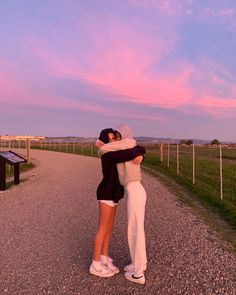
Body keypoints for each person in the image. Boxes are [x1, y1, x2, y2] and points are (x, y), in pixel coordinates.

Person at [90, 128, 145, 278]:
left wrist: (141, 153)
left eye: (114, 138)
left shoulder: (112, 151)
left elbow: (130, 151)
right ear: (105, 141)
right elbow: (129, 153)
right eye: (110, 139)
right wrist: (140, 150)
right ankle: (95, 264)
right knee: (102, 229)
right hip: (106, 194)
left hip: (114, 195)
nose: (114, 141)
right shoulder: (108, 154)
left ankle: (104, 258)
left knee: (108, 229)